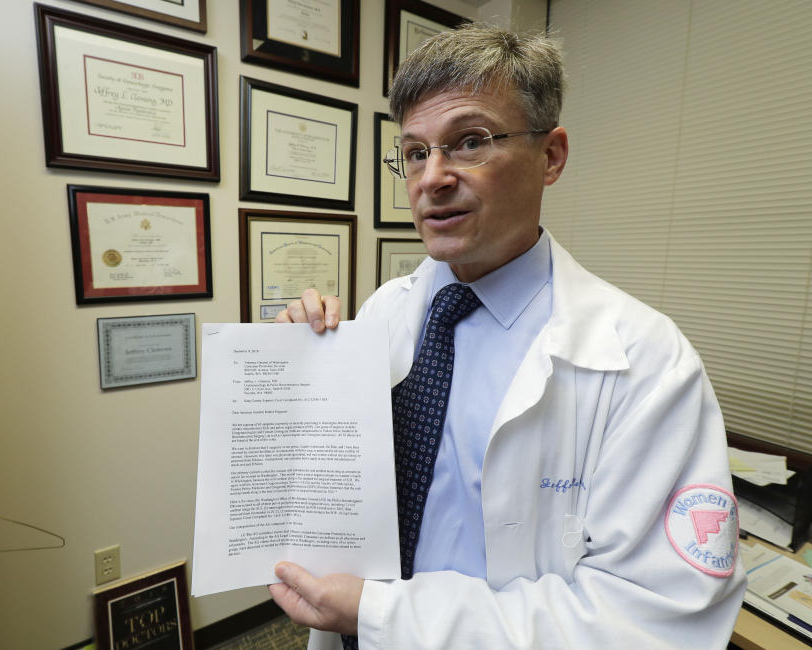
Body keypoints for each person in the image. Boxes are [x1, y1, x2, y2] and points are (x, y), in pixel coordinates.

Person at [270, 24, 746, 649]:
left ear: (551, 156)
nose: (432, 178)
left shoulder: (648, 362)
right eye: (415, 152)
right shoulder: (386, 311)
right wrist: (292, 373)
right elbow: (339, 494)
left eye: (469, 142)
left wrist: (389, 616)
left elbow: (650, 619)